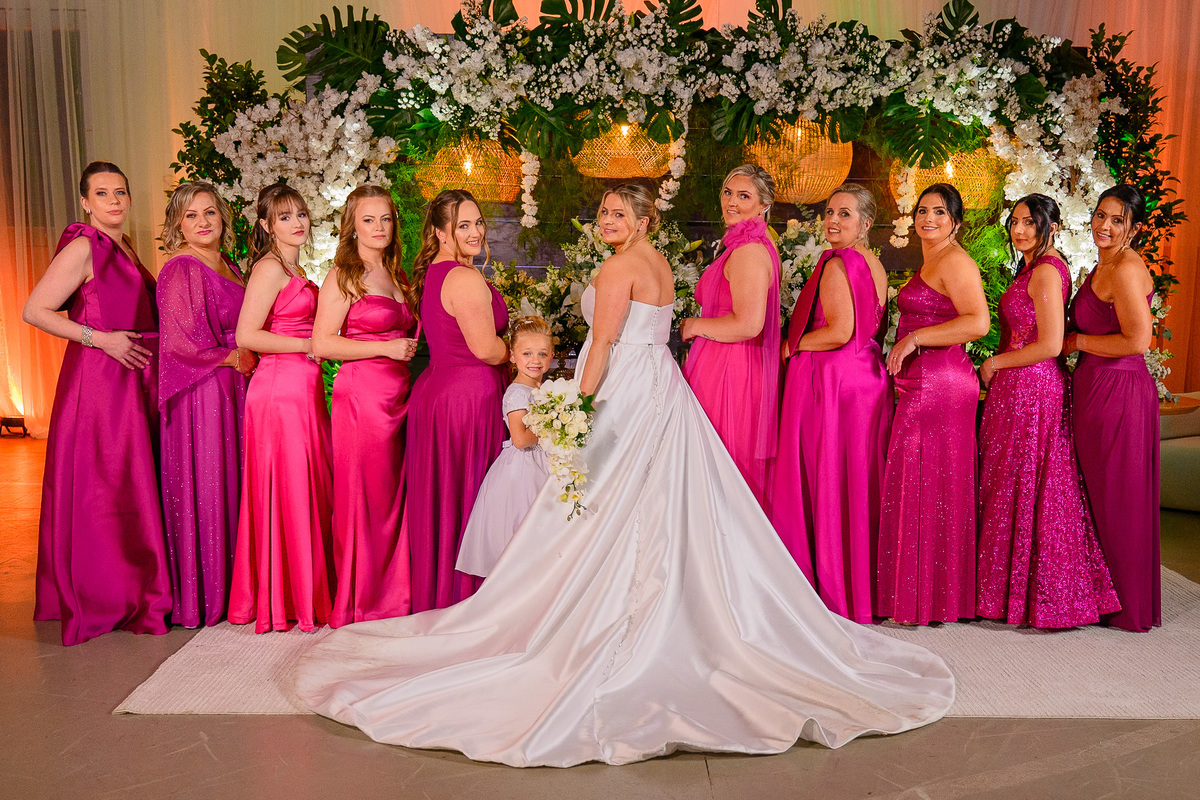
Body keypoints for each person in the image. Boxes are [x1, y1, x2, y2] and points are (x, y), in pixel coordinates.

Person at [295, 183, 954, 769]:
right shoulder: (659, 263)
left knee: (599, 503)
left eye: (618, 213)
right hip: (663, 387)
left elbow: (602, 347)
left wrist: (576, 413)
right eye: (603, 212)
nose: (607, 220)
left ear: (642, 220)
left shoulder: (617, 268)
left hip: (625, 390)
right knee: (664, 499)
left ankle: (613, 621)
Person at [22, 160, 172, 646]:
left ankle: (129, 585)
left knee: (124, 483)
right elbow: (35, 310)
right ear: (85, 202)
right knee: (103, 485)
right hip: (99, 380)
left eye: (120, 192)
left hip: (128, 378)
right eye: (102, 193)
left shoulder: (122, 246)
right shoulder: (85, 246)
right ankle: (104, 594)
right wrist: (101, 339)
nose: (113, 200)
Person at [976, 194, 1121, 628]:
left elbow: (1051, 344)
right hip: (1023, 386)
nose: (1019, 230)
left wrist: (995, 362)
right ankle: (1010, 592)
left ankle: (1034, 596)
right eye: (1015, 222)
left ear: (1051, 227)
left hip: (1032, 387)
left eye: (1030, 222)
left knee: (1025, 485)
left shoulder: (1044, 270)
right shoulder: (1036, 267)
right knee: (1015, 484)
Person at [769, 184, 891, 624]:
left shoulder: (839, 264)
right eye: (829, 213)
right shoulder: (874, 263)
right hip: (865, 376)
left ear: (865, 223)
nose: (833, 221)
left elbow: (839, 331)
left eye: (844, 214)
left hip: (832, 380)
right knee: (853, 482)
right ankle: (859, 586)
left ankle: (827, 589)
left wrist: (792, 345)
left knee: (825, 479)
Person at [877, 183, 989, 626]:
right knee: (926, 484)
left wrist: (915, 338)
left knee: (923, 482)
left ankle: (922, 599)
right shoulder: (934, 260)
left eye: (939, 212)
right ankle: (930, 596)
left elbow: (978, 322)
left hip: (939, 382)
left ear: (955, 222)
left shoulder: (956, 261)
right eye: (923, 210)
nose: (928, 218)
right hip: (926, 380)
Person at [227, 183, 334, 633]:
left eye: (301, 214)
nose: (297, 223)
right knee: (289, 487)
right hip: (278, 390)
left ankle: (300, 591)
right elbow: (246, 336)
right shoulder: (269, 268)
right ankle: (287, 598)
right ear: (267, 225)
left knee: (304, 486)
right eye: (285, 217)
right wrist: (308, 344)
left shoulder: (295, 267)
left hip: (301, 389)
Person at [313, 185, 418, 627]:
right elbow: (322, 344)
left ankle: (395, 593)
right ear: (352, 226)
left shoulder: (396, 275)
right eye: (369, 220)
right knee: (366, 496)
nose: (379, 228)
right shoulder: (344, 276)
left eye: (386, 219)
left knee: (393, 497)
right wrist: (385, 349)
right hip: (363, 399)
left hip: (399, 397)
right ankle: (362, 599)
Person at [403, 189, 509, 612]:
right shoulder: (464, 278)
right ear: (440, 233)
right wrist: (518, 350)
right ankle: (467, 600)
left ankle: (443, 594)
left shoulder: (435, 273)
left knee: (449, 501)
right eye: (463, 225)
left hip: (440, 394)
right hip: (467, 399)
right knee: (471, 498)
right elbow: (486, 349)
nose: (475, 231)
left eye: (478, 222)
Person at [158, 181, 256, 628]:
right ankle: (208, 592)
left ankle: (238, 586)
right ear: (178, 224)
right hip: (203, 391)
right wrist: (233, 356)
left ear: (222, 217)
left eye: (210, 212)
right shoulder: (181, 268)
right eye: (191, 215)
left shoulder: (228, 263)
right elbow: (179, 343)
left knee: (234, 479)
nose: (202, 222)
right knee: (210, 480)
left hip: (233, 384)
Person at [1066, 184, 1159, 632]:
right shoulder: (1103, 264)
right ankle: (1101, 595)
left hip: (1119, 390)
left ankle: (1126, 604)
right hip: (1094, 387)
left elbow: (1138, 341)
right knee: (1099, 493)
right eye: (1101, 215)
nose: (1104, 225)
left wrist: (1076, 341)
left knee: (1118, 495)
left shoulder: (1125, 268)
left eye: (1117, 220)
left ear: (1134, 229)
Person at [680, 164, 781, 505]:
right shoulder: (745, 245)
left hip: (729, 370)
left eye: (744, 196)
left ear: (764, 205)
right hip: (727, 363)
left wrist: (694, 326)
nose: (732, 202)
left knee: (719, 467)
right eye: (727, 192)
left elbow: (748, 324)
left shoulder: (749, 250)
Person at [456, 316, 553, 578]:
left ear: (552, 356)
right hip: (524, 470)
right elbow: (520, 439)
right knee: (524, 530)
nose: (535, 360)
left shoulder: (545, 390)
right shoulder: (518, 393)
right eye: (527, 353)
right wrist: (554, 424)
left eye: (542, 354)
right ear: (512, 356)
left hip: (544, 463)